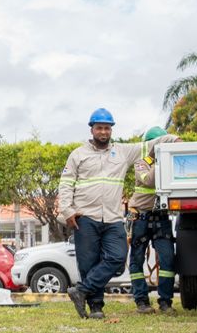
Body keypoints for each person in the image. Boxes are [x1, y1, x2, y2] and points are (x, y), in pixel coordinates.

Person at [58, 110, 170, 319]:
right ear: (91, 129)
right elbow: (65, 184)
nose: (103, 132)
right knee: (88, 263)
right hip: (85, 216)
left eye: (107, 128)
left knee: (118, 257)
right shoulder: (78, 154)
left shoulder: (122, 152)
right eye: (99, 128)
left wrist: (173, 139)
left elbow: (150, 145)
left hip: (113, 217)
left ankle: (81, 290)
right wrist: (67, 211)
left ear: (111, 130)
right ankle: (96, 307)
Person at [128, 126, 182, 314]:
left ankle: (165, 302)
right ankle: (141, 301)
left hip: (161, 218)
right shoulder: (141, 163)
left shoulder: (171, 162)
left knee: (168, 260)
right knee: (136, 260)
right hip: (140, 218)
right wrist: (160, 160)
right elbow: (149, 180)